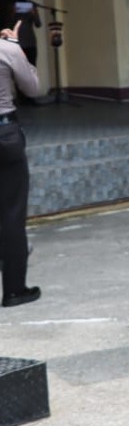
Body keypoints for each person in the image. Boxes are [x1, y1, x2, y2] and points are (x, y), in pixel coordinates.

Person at [0, 20, 40, 307]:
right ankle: (14, 290)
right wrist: (16, 47)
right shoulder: (6, 49)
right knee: (12, 212)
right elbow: (33, 87)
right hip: (5, 134)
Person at [9, 0, 41, 67]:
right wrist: (14, 12)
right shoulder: (13, 6)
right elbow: (9, 24)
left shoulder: (31, 6)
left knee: (32, 67)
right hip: (18, 41)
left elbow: (38, 24)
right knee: (19, 68)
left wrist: (33, 13)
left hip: (30, 41)